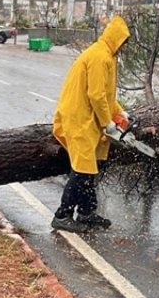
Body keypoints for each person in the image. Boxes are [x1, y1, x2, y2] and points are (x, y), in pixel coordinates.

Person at [51, 15, 132, 233]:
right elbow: (96, 95)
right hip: (79, 118)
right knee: (82, 170)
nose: (124, 46)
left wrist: (119, 112)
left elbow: (105, 94)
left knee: (92, 168)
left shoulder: (107, 56)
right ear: (116, 39)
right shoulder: (99, 57)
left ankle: (86, 212)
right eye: (123, 41)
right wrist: (108, 123)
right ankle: (62, 215)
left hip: (88, 119)